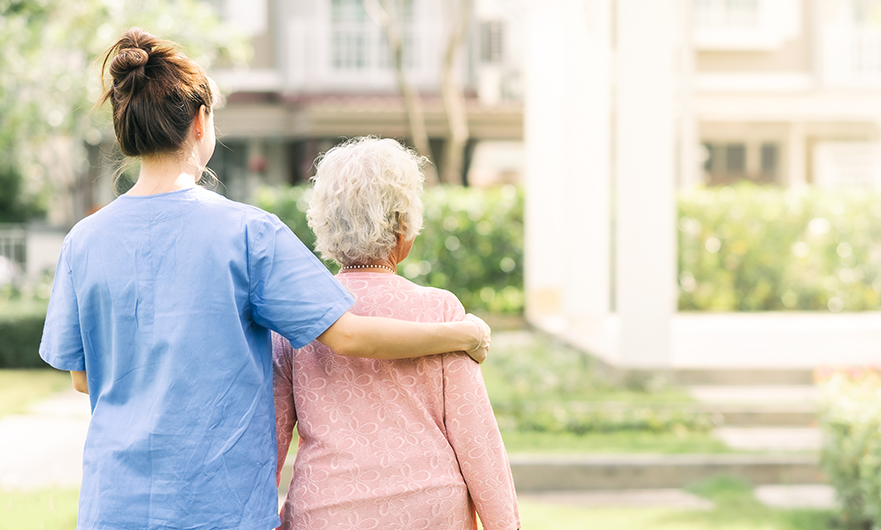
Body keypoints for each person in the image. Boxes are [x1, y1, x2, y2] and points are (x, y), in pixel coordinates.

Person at [38, 28, 490, 530]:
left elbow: (82, 378)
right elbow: (349, 334)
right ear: (200, 121)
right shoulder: (247, 233)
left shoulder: (83, 240)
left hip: (112, 507)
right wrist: (459, 333)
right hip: (219, 511)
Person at [272, 137, 520, 530]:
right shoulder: (440, 312)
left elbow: (271, 438)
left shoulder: (297, 317)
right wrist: (505, 524)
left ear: (325, 224)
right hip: (430, 509)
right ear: (404, 224)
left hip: (327, 511)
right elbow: (477, 440)